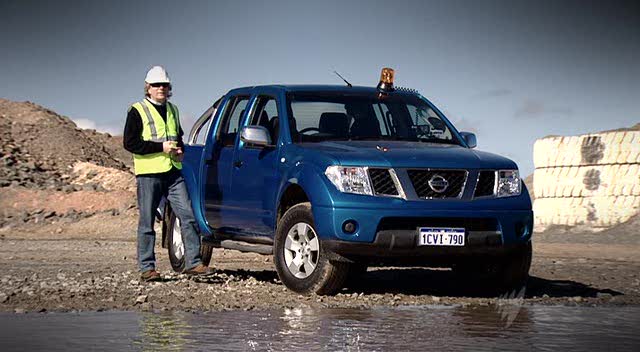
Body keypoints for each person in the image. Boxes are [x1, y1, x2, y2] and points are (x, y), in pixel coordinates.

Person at [123, 66, 213, 281]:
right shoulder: (137, 110)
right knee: (147, 222)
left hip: (173, 172)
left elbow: (177, 137)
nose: (160, 88)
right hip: (149, 174)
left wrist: (179, 150)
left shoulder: (173, 110)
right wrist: (160, 148)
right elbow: (130, 143)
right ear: (148, 88)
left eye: (164, 85)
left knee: (188, 215)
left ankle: (193, 263)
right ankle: (147, 268)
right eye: (156, 85)